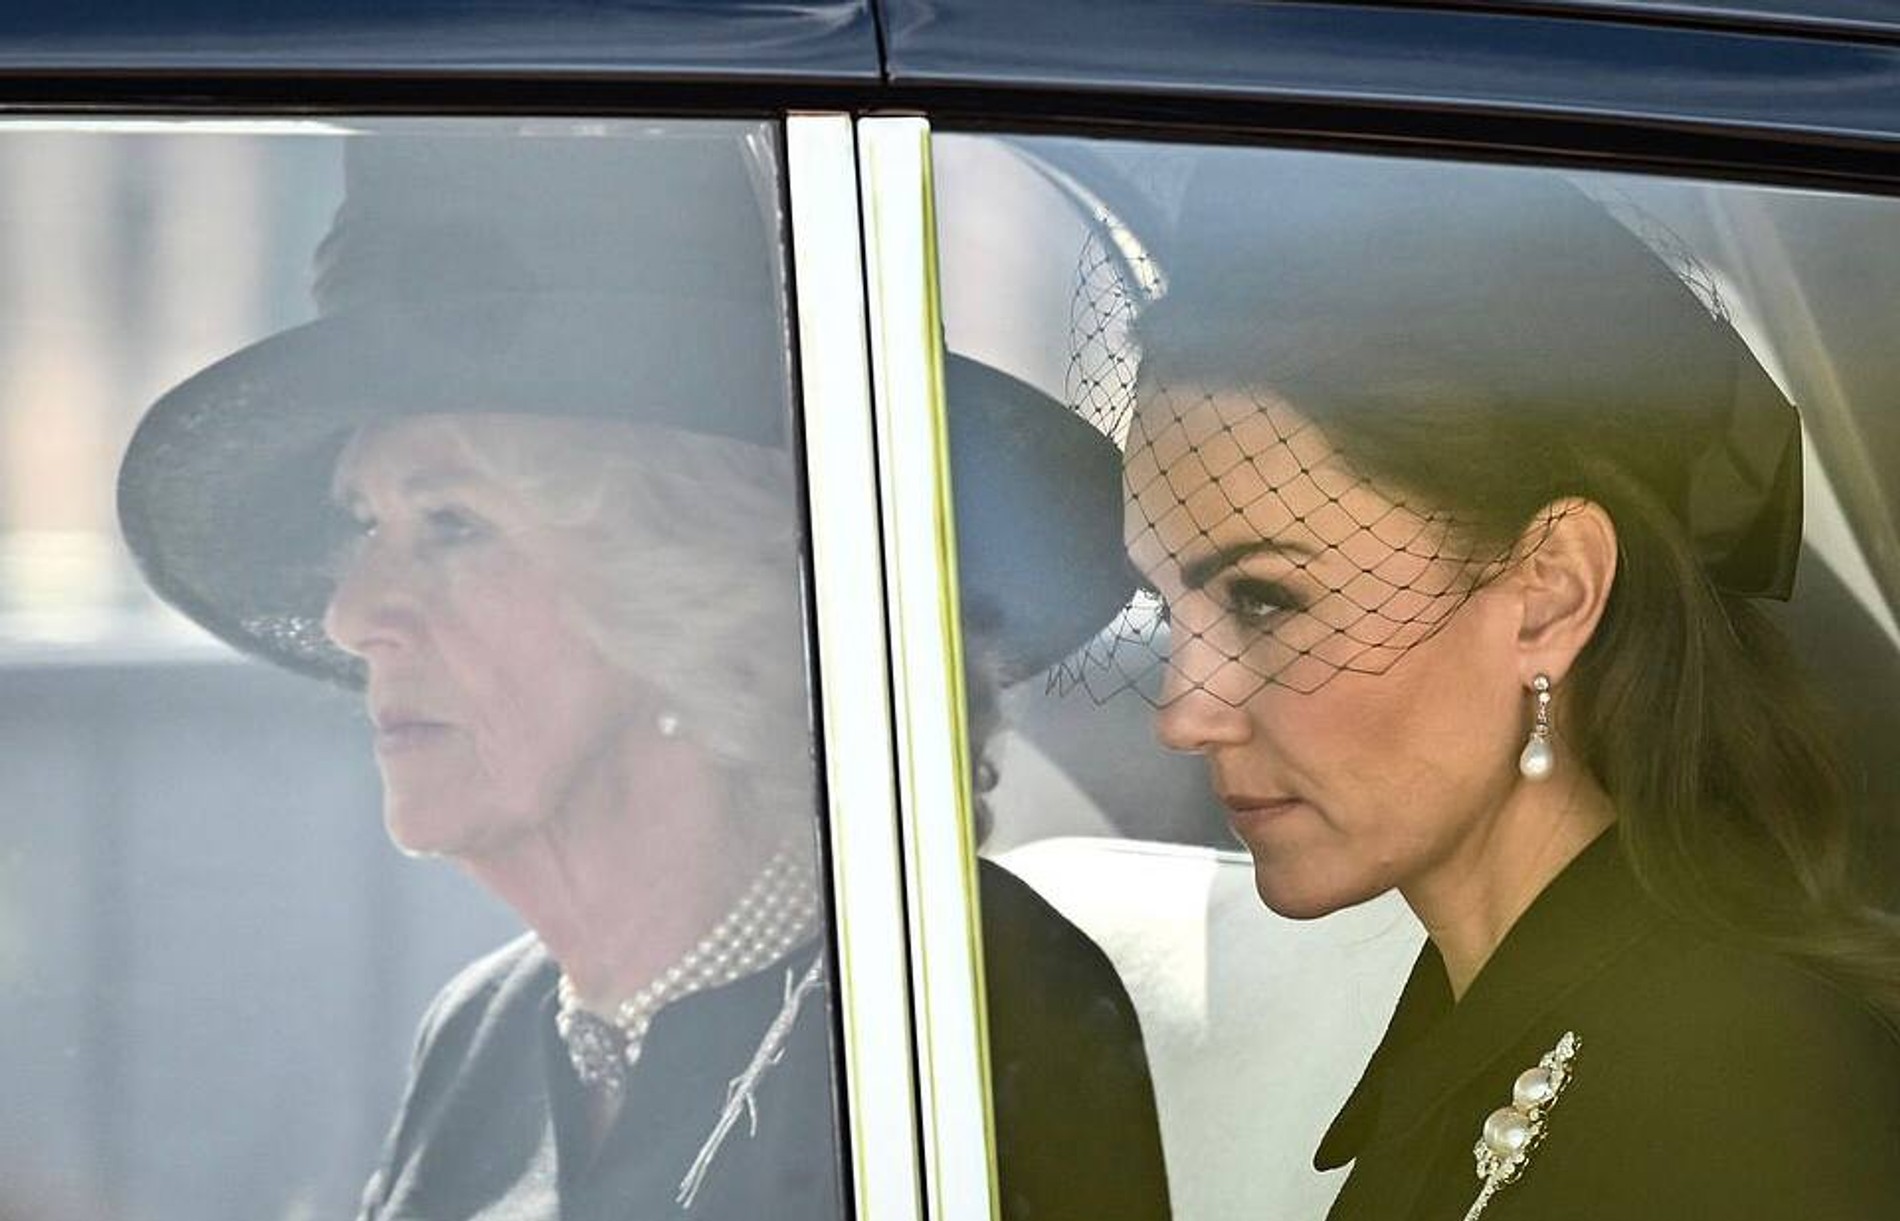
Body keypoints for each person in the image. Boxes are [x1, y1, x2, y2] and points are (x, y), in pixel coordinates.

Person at [116, 125, 1168, 1221]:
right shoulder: (486, 1032)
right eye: (365, 525)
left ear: (692, 588)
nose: (352, 614)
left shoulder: (944, 1016)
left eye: (451, 525)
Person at [1108, 152, 1900, 1219]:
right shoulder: (1492, 1034)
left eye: (1263, 601)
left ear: (1548, 596)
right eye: (1167, 608)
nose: (1184, 713)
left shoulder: (1743, 1094)